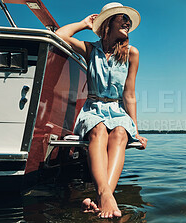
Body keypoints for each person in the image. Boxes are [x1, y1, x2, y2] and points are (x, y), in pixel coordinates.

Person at [55, 2, 148, 218]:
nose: (127, 22)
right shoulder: (90, 49)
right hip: (93, 108)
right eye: (122, 18)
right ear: (109, 22)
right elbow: (60, 35)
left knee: (120, 132)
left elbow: (129, 94)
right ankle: (106, 195)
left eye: (128, 19)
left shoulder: (131, 53)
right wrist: (83, 24)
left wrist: (135, 129)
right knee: (97, 129)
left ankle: (101, 197)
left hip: (117, 109)